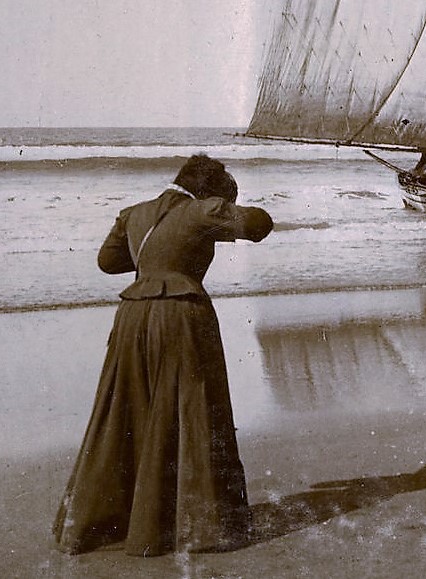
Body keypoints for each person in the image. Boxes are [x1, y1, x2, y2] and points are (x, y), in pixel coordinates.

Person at [54, 154, 273, 557]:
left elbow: (109, 262)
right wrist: (218, 214)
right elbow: (259, 224)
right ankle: (196, 526)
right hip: (181, 317)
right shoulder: (203, 209)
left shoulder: (134, 213)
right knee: (193, 410)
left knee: (125, 412)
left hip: (132, 317)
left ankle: (104, 522)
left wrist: (156, 258)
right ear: (206, 188)